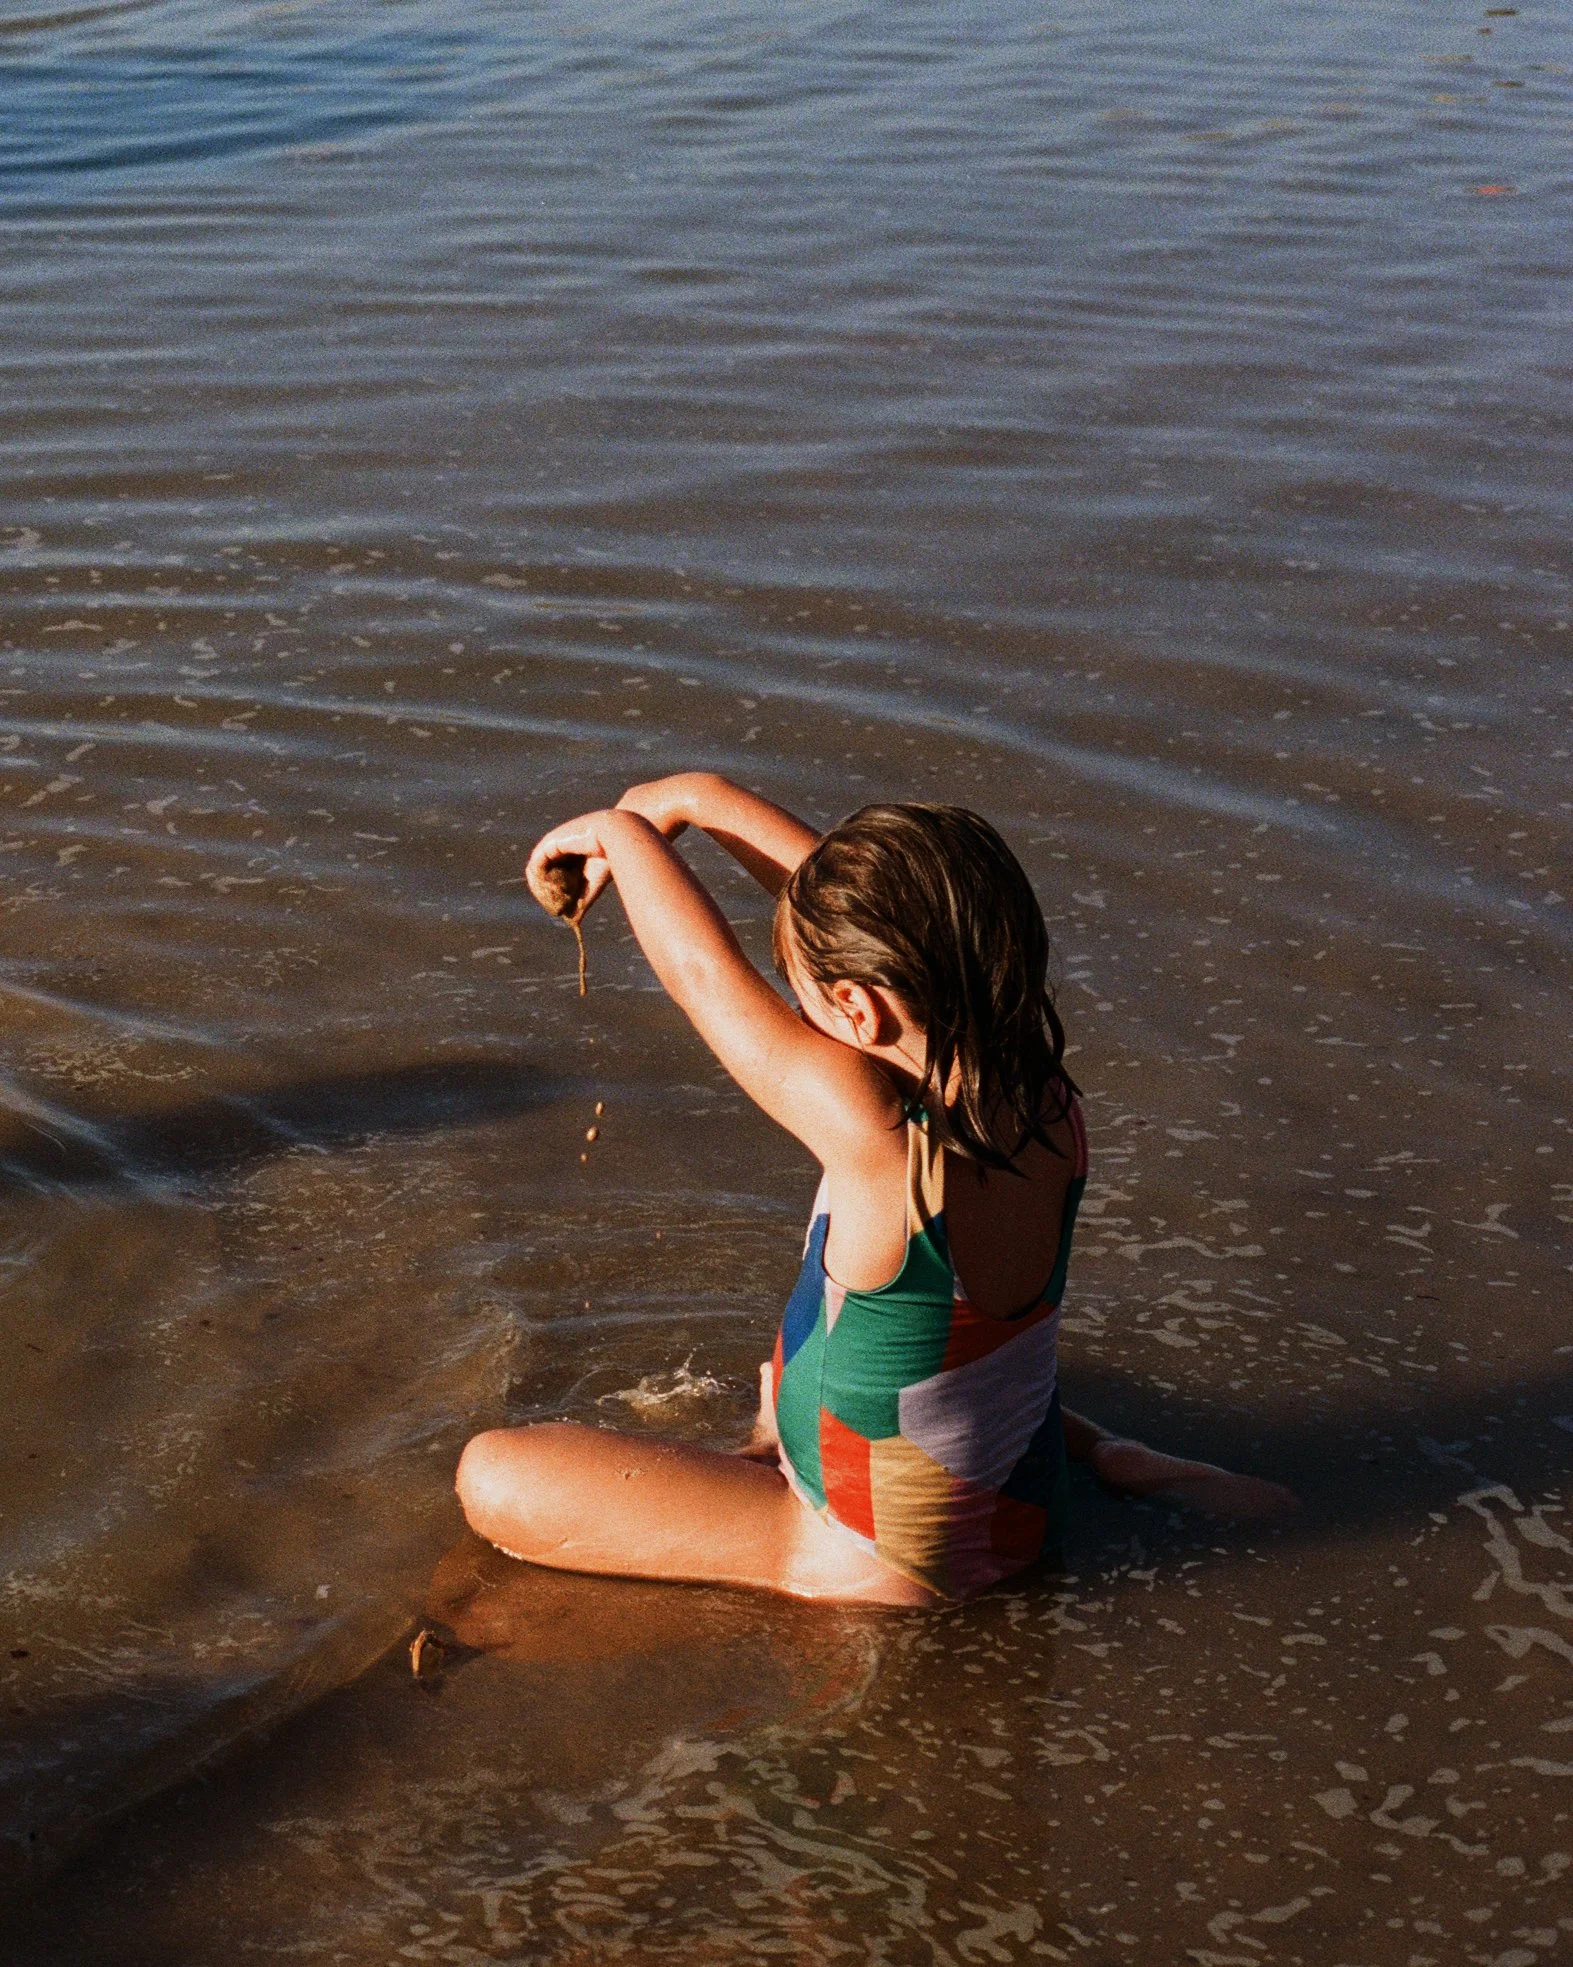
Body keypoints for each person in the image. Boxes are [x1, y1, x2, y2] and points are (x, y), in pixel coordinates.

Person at [456, 773, 1293, 1609]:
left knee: (493, 1473)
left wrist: (619, 833)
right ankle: (1107, 1452)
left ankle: (795, 1523)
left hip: (878, 1557)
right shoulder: (1040, 1091)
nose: (792, 1005)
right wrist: (691, 798)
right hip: (1022, 1497)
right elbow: (875, 922)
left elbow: (701, 976)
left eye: (804, 994)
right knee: (916, 1364)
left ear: (858, 1008)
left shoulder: (873, 1136)